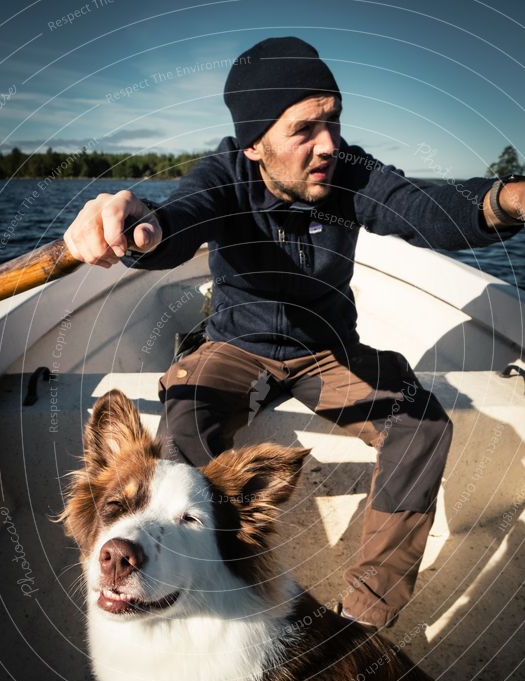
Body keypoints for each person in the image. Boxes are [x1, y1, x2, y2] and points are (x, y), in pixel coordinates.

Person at [64, 37, 525, 629]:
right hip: (236, 346)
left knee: (421, 421)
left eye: (333, 121)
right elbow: (176, 220)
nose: (329, 144)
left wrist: (511, 199)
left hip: (328, 353)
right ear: (256, 144)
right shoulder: (224, 176)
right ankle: (189, 588)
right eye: (305, 129)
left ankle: (363, 622)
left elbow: (429, 210)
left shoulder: (350, 173)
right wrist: (133, 224)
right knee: (185, 418)